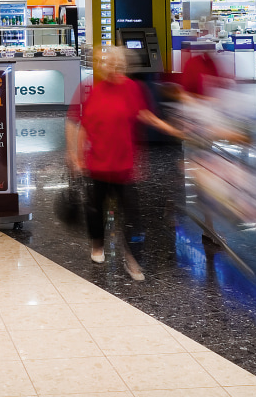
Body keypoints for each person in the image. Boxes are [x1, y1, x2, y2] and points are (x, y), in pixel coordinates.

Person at [66, 46, 182, 279]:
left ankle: (133, 258)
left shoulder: (132, 88)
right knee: (96, 210)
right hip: (97, 163)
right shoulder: (89, 88)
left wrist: (173, 129)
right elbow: (78, 124)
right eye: (105, 63)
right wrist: (75, 156)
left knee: (132, 216)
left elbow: (145, 115)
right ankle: (97, 245)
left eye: (116, 64)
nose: (111, 68)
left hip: (124, 164)